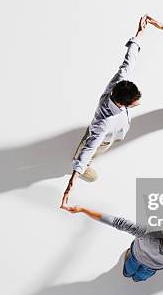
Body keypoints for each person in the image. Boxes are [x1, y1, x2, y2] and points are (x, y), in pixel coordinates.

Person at [61, 15, 148, 207]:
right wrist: (71, 184)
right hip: (105, 137)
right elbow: (91, 148)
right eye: (136, 101)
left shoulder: (120, 81)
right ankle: (79, 165)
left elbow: (129, 61)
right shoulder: (103, 124)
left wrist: (138, 35)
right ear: (123, 103)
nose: (139, 101)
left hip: (113, 132)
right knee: (90, 148)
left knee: (95, 140)